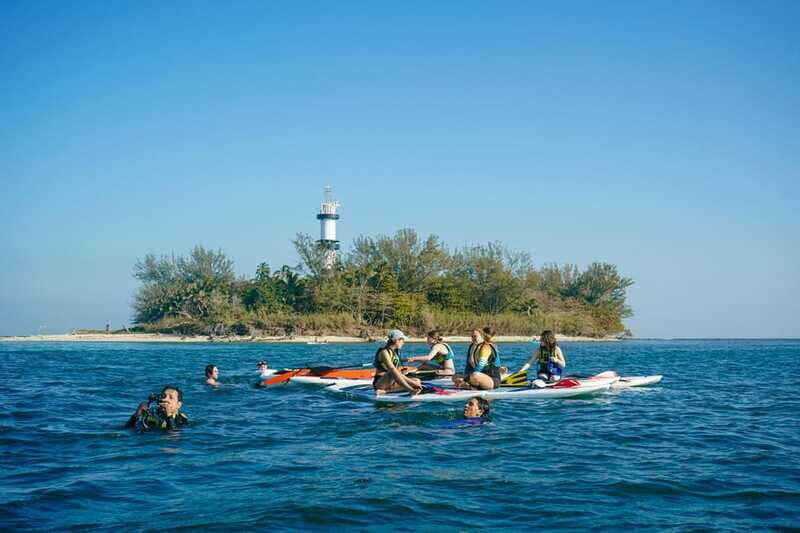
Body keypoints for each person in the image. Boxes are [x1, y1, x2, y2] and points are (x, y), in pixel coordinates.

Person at [372, 329, 423, 395]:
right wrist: (411, 383)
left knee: (417, 381)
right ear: (396, 340)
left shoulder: (395, 352)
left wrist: (407, 376)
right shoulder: (384, 352)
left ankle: (385, 392)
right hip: (380, 383)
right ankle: (410, 390)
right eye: (402, 340)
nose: (403, 343)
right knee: (393, 371)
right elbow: (392, 370)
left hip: (392, 380)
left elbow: (396, 371)